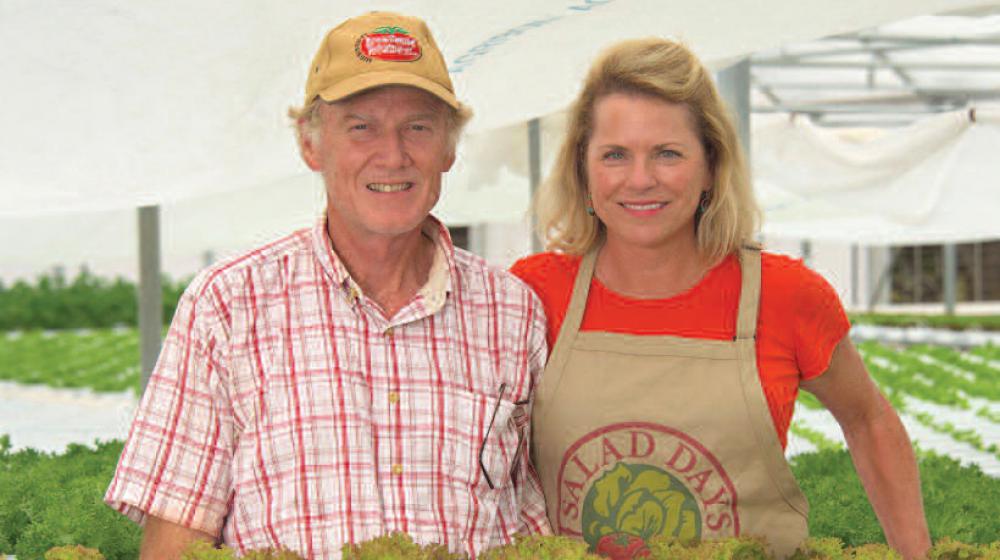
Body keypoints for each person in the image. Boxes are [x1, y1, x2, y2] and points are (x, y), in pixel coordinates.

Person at [105, 11, 549, 559]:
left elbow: (532, 521)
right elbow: (174, 542)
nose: (393, 154)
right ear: (311, 145)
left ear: (449, 150)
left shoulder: (512, 312)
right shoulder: (228, 304)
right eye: (361, 126)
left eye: (418, 126)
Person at [511, 38, 930, 559]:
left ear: (711, 166)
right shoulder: (532, 293)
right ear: (583, 170)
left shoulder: (786, 295)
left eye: (668, 153)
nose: (640, 180)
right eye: (615, 155)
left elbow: (869, 420)